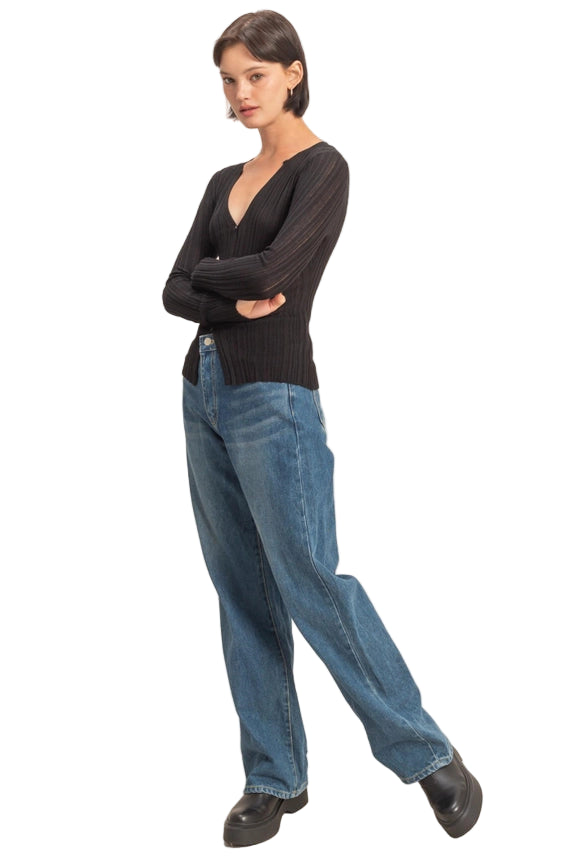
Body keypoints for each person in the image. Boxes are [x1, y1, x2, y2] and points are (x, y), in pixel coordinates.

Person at [162, 10, 482, 848]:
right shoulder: (220, 180)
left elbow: (273, 271)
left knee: (309, 577)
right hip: (201, 389)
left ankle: (426, 751)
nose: (240, 93)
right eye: (228, 80)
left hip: (275, 397)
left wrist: (213, 279)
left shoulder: (323, 168)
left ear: (292, 74)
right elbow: (170, 289)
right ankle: (274, 775)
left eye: (254, 76)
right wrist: (226, 289)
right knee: (240, 588)